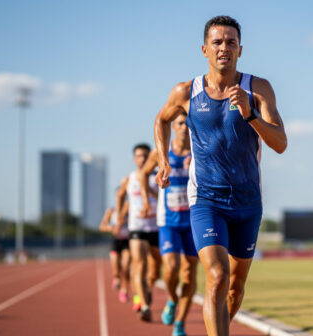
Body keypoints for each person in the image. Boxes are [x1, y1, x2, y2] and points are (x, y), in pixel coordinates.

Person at [152, 15, 287, 336]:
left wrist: (251, 115)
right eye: (217, 42)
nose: (223, 48)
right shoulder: (187, 91)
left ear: (240, 49)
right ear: (204, 49)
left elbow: (280, 143)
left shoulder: (258, 88)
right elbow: (161, 120)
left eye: (230, 42)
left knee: (235, 288)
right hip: (206, 201)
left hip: (247, 203)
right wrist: (163, 161)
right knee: (216, 274)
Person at [139, 112, 197, 336]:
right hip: (168, 222)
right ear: (173, 126)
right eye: (181, 123)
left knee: (189, 273)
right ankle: (172, 299)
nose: (185, 127)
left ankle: (180, 323)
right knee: (171, 268)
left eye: (188, 124)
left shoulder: (199, 150)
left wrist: (199, 167)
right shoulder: (161, 153)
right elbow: (144, 174)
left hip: (194, 221)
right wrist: (147, 200)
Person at [124, 143, 162, 321]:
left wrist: (149, 191)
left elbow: (165, 197)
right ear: (134, 159)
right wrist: (118, 221)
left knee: (155, 271)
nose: (143, 159)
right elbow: (119, 200)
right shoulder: (128, 179)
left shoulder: (157, 177)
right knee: (139, 265)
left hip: (156, 226)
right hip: (136, 227)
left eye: (146, 156)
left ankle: (146, 288)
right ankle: (145, 305)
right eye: (139, 156)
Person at [98, 186, 131, 303]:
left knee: (126, 267)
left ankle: (125, 290)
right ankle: (116, 277)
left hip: (127, 241)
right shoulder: (111, 211)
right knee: (116, 269)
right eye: (118, 195)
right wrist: (111, 228)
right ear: (115, 196)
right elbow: (101, 226)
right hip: (116, 242)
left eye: (123, 195)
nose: (120, 197)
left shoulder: (129, 208)